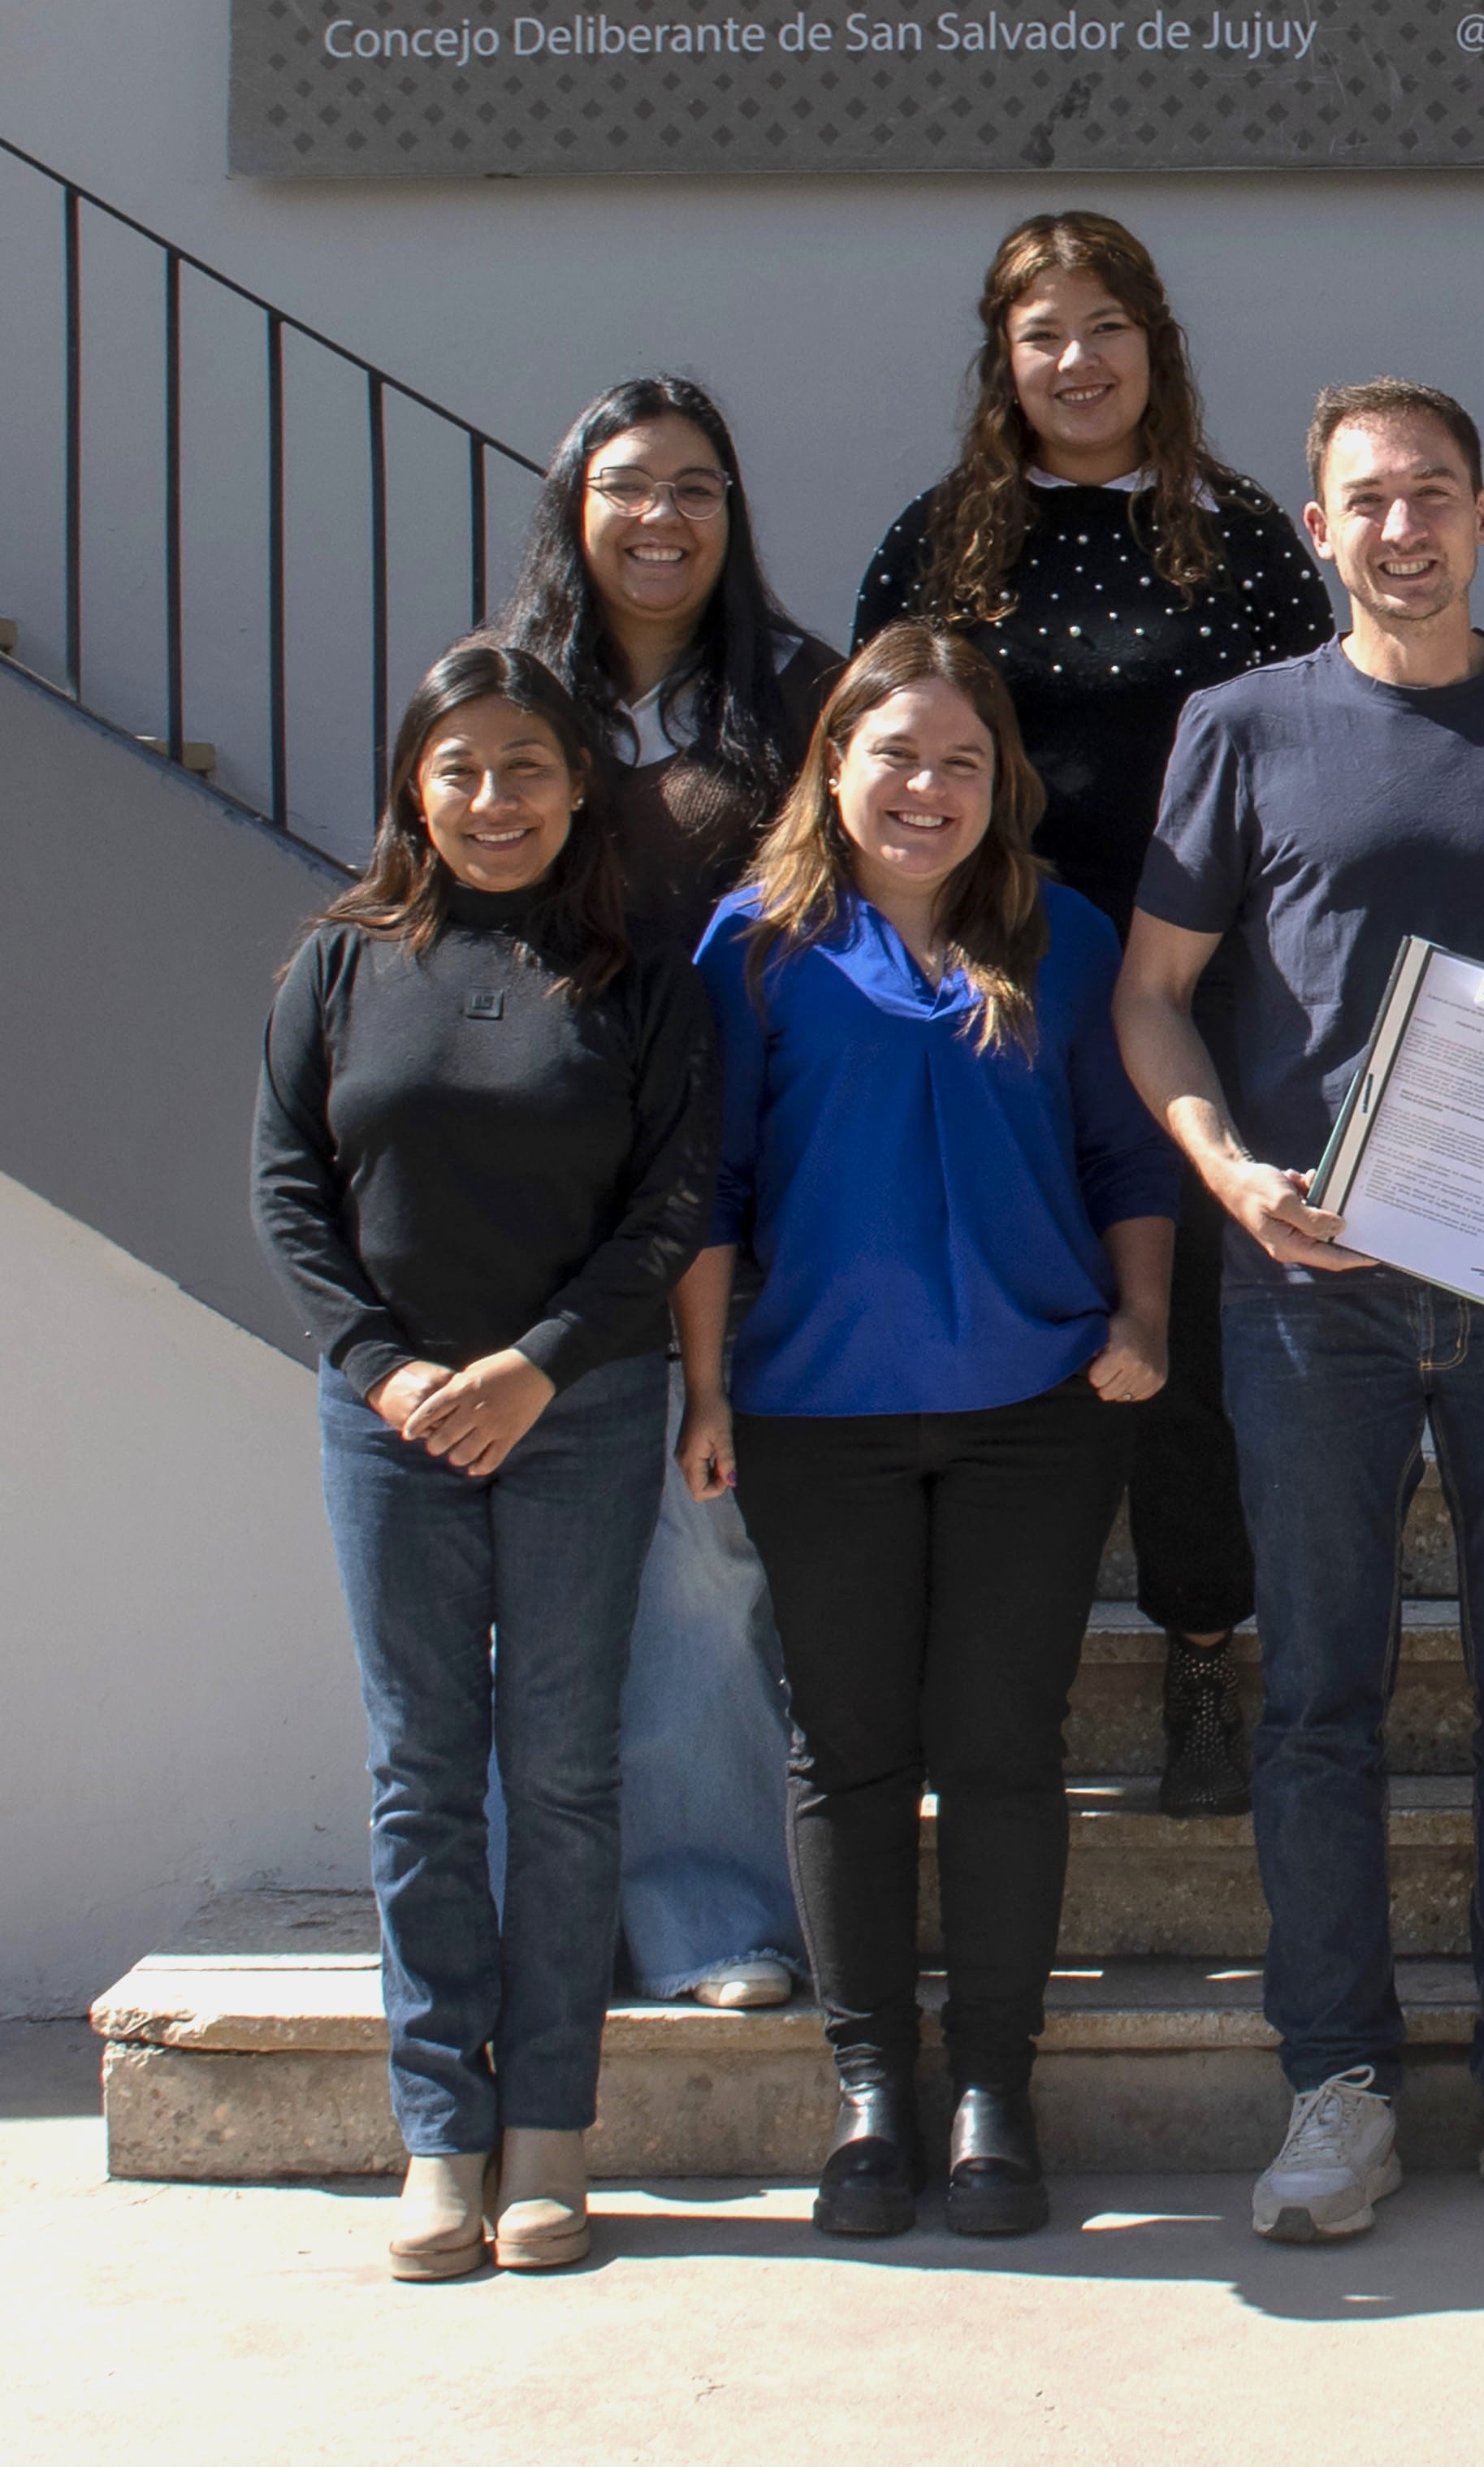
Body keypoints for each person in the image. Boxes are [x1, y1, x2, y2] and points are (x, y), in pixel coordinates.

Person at [1118, 379, 1484, 2244]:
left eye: (1435, 491)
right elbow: (1152, 993)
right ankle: (1332, 2083)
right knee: (1320, 1702)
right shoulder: (1241, 726)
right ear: (1320, 523)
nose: (1404, 525)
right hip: (1312, 1290)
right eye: (1369, 498)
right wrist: (1225, 1172)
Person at [679, 623, 1178, 2242]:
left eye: (964, 762)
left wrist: (1144, 1323)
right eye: (898, 754)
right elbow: (712, 1190)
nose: (929, 786)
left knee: (999, 1750)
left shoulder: (1066, 937)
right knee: (849, 1754)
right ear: (835, 764)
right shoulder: (754, 948)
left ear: (1001, 787)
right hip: (817, 1412)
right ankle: (871, 2089)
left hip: (1033, 1412)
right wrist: (705, 1389)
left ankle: (989, 2092)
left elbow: (1127, 1160)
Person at [855, 211, 1332, 1820]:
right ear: (1003, 358)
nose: (1077, 361)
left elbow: (1309, 764)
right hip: (988, 996)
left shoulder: (1244, 535)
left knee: (1183, 1340)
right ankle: (973, 1694)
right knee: (987, 1322)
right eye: (1043, 332)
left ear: (1157, 344)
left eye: (1106, 325)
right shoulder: (939, 545)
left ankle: (1206, 1644)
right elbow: (872, 772)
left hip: (1191, 999)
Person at [253, 640, 718, 2280]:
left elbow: (673, 1201)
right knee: (425, 1776)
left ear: (579, 784)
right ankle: (441, 2131)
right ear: (413, 788)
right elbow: (290, 1191)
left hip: (575, 1412)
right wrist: (388, 1376)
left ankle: (552, 2140)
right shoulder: (339, 962)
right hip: (388, 1430)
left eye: (526, 766)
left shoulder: (639, 973)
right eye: (459, 768)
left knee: (567, 1764)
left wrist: (535, 1365)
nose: (493, 798)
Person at [498, 374, 837, 2013]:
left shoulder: (795, 696)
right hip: (544, 1183)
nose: (664, 516)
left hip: (741, 1183)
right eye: (630, 485)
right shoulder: (513, 694)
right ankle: (528, 1921)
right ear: (576, 505)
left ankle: (712, 1916)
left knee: (709, 1558)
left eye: (698, 486)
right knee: (541, 1563)